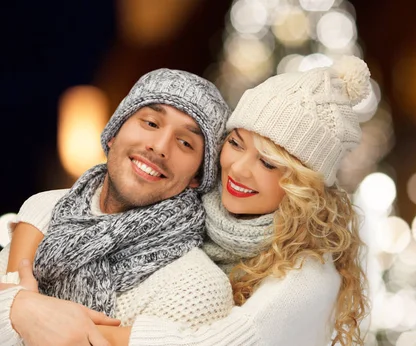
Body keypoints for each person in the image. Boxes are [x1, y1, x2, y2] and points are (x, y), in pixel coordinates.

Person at [1, 55, 371, 346]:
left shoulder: (305, 279)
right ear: (112, 133)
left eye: (268, 162)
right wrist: (21, 301)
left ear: (303, 186)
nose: (238, 170)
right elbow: (49, 208)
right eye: (236, 144)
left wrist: (55, 321)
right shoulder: (58, 210)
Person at [0, 68, 234, 343]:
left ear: (197, 176)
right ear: (113, 134)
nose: (159, 147)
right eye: (150, 123)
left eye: (185, 142)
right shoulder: (45, 210)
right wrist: (18, 307)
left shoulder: (197, 288)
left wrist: (17, 307)